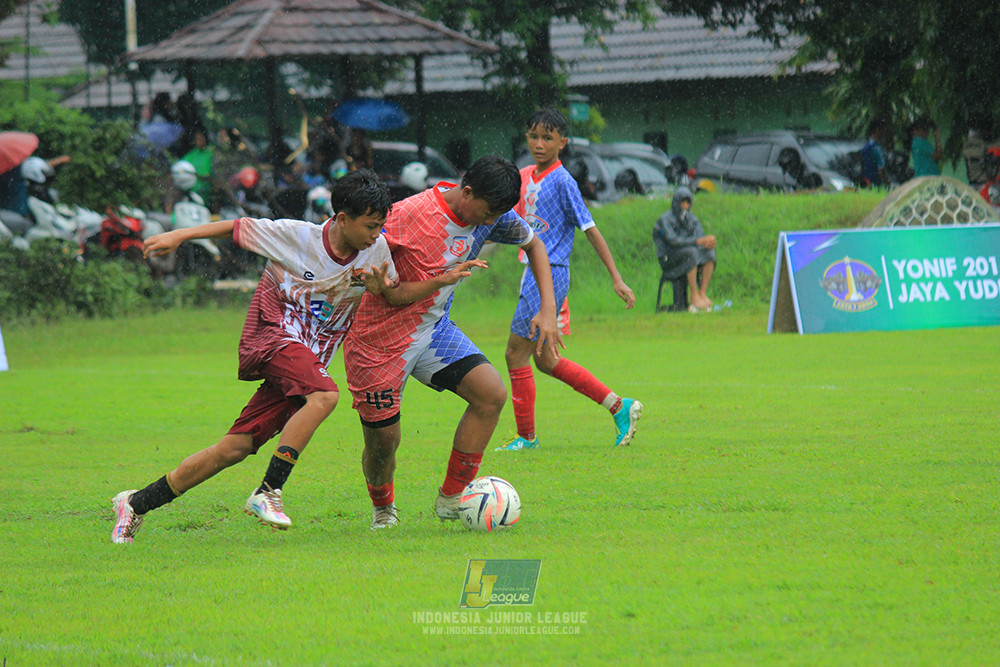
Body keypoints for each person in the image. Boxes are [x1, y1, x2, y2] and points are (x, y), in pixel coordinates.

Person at [109, 170, 478, 544]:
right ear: (342, 219)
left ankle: (137, 503)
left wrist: (401, 286)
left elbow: (394, 295)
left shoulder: (376, 251)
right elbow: (235, 228)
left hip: (305, 362)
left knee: (234, 447)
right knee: (325, 396)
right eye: (369, 226)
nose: (376, 235)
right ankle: (268, 491)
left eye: (380, 226)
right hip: (271, 336)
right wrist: (178, 235)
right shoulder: (295, 236)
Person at [342, 154, 562, 530]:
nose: (493, 222)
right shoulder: (408, 216)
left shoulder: (490, 215)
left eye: (499, 215)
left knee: (491, 394)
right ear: (468, 191)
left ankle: (451, 499)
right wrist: (368, 282)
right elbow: (357, 268)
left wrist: (548, 308)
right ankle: (383, 509)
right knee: (383, 444)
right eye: (489, 212)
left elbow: (535, 246)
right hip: (377, 342)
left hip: (433, 331)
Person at [497, 108, 642, 453]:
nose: (539, 144)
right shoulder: (523, 176)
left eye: (548, 138)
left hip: (551, 273)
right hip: (529, 272)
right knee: (545, 361)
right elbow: (507, 222)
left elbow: (590, 230)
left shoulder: (564, 182)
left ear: (562, 143)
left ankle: (527, 438)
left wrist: (616, 279)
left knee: (515, 354)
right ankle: (618, 406)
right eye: (533, 136)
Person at [653, 186, 717, 312]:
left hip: (687, 254)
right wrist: (697, 241)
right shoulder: (665, 220)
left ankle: (702, 293)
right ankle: (693, 295)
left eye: (688, 202)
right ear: (676, 203)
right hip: (669, 257)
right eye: (682, 202)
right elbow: (673, 241)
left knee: (710, 254)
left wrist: (707, 242)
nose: (685, 206)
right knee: (691, 254)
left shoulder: (691, 219)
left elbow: (700, 235)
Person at [860, 118, 891, 187]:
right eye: (883, 129)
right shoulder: (877, 148)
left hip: (865, 181)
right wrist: (887, 184)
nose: (884, 132)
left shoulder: (867, 146)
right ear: (877, 130)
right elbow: (881, 170)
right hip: (875, 182)